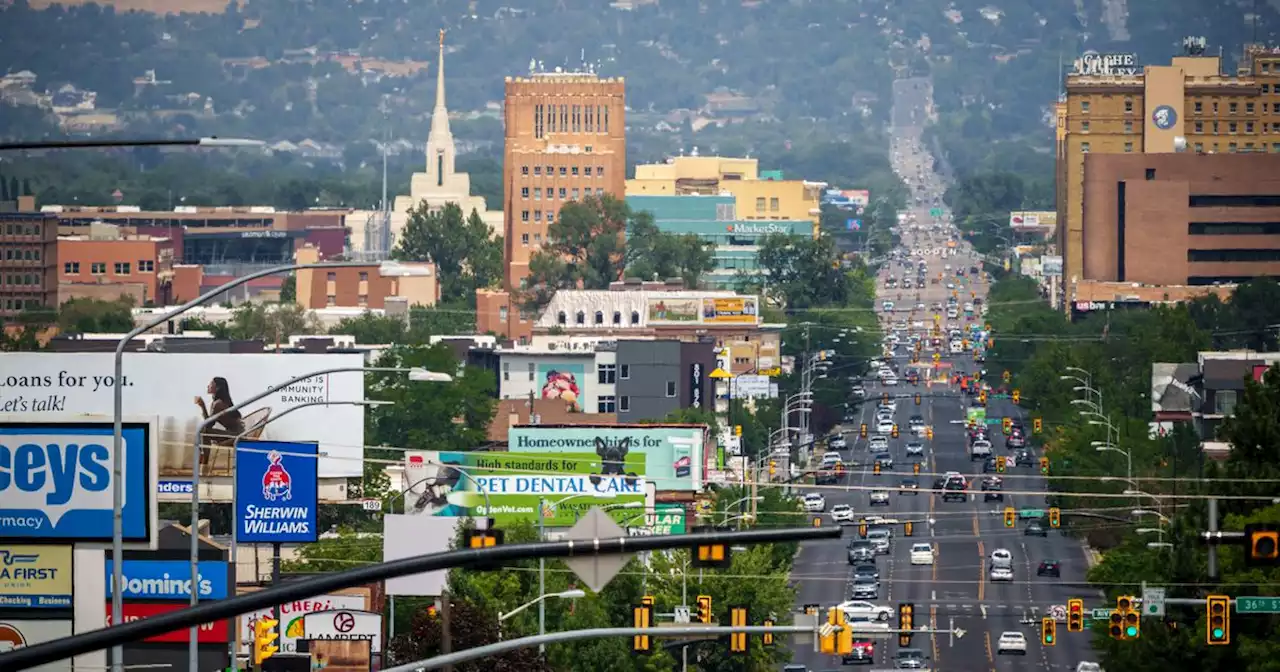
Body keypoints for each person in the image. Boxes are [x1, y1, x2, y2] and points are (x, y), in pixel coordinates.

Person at [195, 376, 246, 464]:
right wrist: (202, 406)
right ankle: (203, 459)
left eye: (211, 384)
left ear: (218, 387)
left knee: (204, 431)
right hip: (234, 434)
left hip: (237, 436)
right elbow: (209, 423)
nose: (208, 386)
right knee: (204, 431)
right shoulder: (218, 402)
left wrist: (203, 406)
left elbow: (208, 425)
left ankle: (204, 461)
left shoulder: (218, 404)